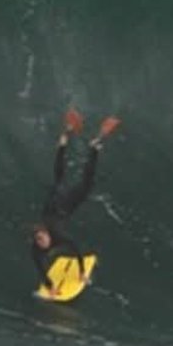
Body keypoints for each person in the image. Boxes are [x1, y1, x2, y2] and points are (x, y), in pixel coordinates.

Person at [29, 108, 120, 292]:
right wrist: (50, 286)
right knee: (61, 179)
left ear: (46, 234)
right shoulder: (36, 249)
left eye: (43, 239)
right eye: (40, 242)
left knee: (76, 183)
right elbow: (40, 269)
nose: (43, 243)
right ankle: (69, 142)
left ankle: (88, 147)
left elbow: (75, 250)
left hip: (61, 205)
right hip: (57, 206)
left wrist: (82, 273)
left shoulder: (57, 235)